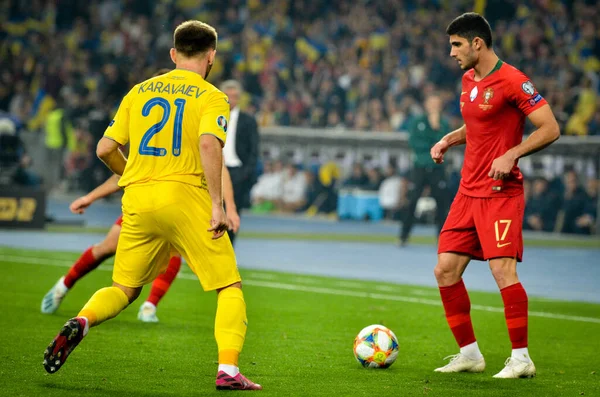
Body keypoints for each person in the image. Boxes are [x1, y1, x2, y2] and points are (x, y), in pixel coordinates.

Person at [42, 20, 261, 390]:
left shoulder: (138, 92)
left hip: (139, 201)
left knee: (124, 289)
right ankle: (228, 370)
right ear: (212, 57)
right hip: (186, 196)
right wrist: (217, 205)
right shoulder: (211, 96)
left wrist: (132, 176)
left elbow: (104, 149)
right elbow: (210, 145)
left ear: (174, 54)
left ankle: (81, 320)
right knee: (229, 286)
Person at [430, 13, 560, 379]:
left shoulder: (513, 81)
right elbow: (476, 125)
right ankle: (469, 354)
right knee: (445, 270)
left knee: (502, 271)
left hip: (500, 193)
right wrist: (448, 139)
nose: (451, 52)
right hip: (467, 192)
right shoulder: (468, 79)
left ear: (477, 44)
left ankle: (522, 359)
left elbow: (550, 127)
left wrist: (512, 153)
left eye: (456, 44)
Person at [40, 163, 240, 323]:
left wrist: (90, 197)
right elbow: (219, 165)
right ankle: (65, 286)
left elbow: (118, 162)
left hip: (153, 203)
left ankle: (145, 307)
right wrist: (228, 207)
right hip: (166, 203)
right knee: (113, 248)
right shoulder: (196, 123)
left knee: (158, 252)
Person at [399, 93, 450, 246]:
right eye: (431, 103)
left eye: (437, 104)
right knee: (412, 200)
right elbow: (414, 143)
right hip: (420, 167)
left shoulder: (443, 123)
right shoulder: (417, 121)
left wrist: (436, 128)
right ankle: (404, 235)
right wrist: (432, 144)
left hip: (437, 167)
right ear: (426, 105)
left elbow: (445, 143)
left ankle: (442, 238)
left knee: (442, 203)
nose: (434, 107)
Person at [220, 80, 259, 245]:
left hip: (237, 172)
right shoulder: (211, 116)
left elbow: (254, 151)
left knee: (232, 214)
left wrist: (245, 173)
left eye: (235, 97)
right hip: (213, 171)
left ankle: (229, 252)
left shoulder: (248, 121)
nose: (231, 100)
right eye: (228, 96)